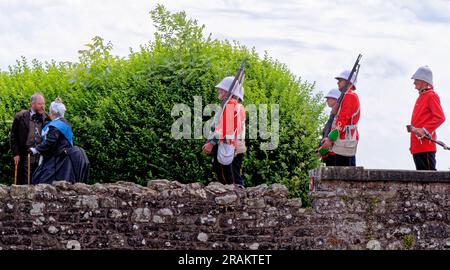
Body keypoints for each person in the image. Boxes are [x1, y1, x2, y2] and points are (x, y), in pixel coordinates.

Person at [29, 98, 90, 184]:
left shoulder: (55, 126)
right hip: (64, 157)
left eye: (50, 111)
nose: (49, 112)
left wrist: (35, 149)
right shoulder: (64, 122)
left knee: (44, 181)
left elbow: (50, 142)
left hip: (58, 159)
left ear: (53, 112)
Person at [202, 76, 246, 186]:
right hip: (235, 146)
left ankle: (232, 200)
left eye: (221, 89)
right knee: (235, 178)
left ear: (228, 91)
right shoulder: (238, 106)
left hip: (226, 145)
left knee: (227, 180)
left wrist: (211, 144)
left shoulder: (231, 105)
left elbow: (224, 128)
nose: (219, 90)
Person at [320, 70, 360, 166]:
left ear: (348, 82)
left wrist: (330, 140)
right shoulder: (347, 96)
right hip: (342, 142)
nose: (338, 82)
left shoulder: (349, 96)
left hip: (344, 143)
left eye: (340, 80)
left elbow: (342, 120)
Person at [409, 66, 445, 170]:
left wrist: (424, 130)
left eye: (416, 80)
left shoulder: (431, 96)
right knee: (422, 182)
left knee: (429, 181)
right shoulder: (422, 96)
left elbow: (440, 117)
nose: (414, 83)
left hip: (425, 146)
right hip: (418, 147)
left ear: (424, 81)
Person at [10, 93, 49, 185]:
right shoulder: (20, 116)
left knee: (39, 181)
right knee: (25, 181)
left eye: (43, 103)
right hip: (25, 155)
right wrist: (15, 153)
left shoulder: (46, 117)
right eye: (40, 104)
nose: (42, 106)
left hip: (41, 155)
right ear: (32, 104)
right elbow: (13, 136)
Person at [320, 88, 340, 166]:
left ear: (335, 99)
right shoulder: (333, 115)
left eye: (328, 98)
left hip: (335, 153)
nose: (326, 101)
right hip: (330, 152)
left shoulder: (338, 114)